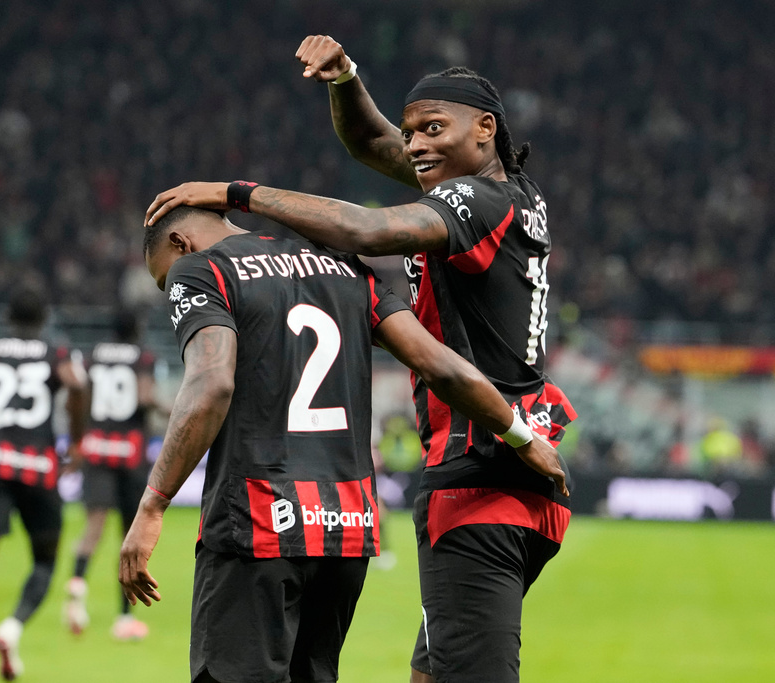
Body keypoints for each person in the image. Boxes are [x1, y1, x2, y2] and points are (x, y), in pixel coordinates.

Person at [143, 36, 578, 682]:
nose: (416, 145)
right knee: (430, 671)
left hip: (479, 475)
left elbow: (362, 230)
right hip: (518, 461)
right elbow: (373, 145)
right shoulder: (510, 194)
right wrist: (345, 80)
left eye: (434, 128)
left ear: (485, 130)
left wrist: (234, 192)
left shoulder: (474, 202)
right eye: (412, 133)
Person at [120, 206, 566, 683]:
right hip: (345, 529)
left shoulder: (201, 270)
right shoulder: (344, 265)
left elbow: (211, 384)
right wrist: (521, 435)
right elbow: (441, 366)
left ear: (180, 244)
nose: (171, 291)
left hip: (255, 523)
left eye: (164, 280)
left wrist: (152, 506)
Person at [0, 286, 85, 682]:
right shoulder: (55, 351)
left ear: (8, 317)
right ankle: (11, 628)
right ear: (43, 319)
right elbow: (77, 385)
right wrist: (77, 441)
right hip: (38, 468)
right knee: (44, 562)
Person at [63, 309, 164, 640]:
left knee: (93, 525)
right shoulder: (143, 356)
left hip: (96, 447)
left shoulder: (93, 356)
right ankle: (124, 618)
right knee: (129, 534)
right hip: (130, 451)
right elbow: (145, 396)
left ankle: (77, 586)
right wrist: (174, 408)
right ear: (136, 328)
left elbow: (79, 398)